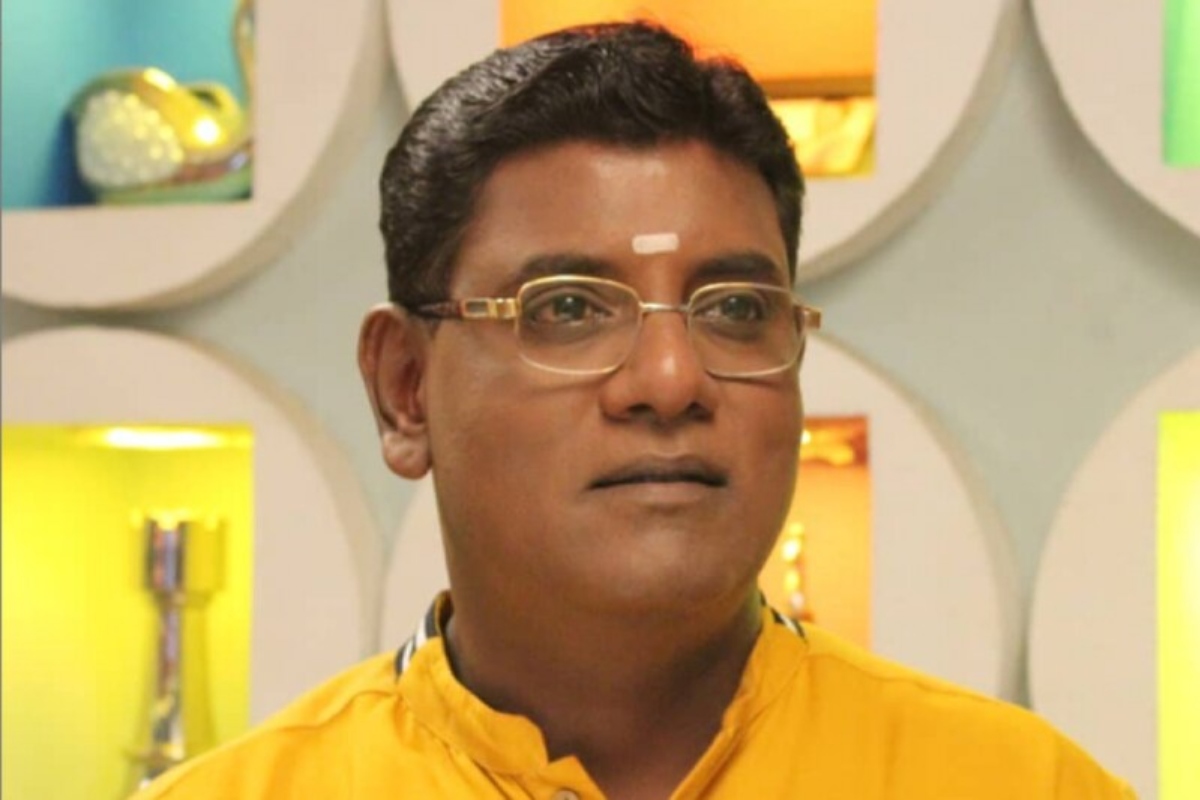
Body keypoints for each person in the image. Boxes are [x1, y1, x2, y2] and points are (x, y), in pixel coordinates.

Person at [136, 21, 1135, 799]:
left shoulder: (1016, 782)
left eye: (735, 309)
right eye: (568, 308)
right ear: (405, 390)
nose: (669, 378)